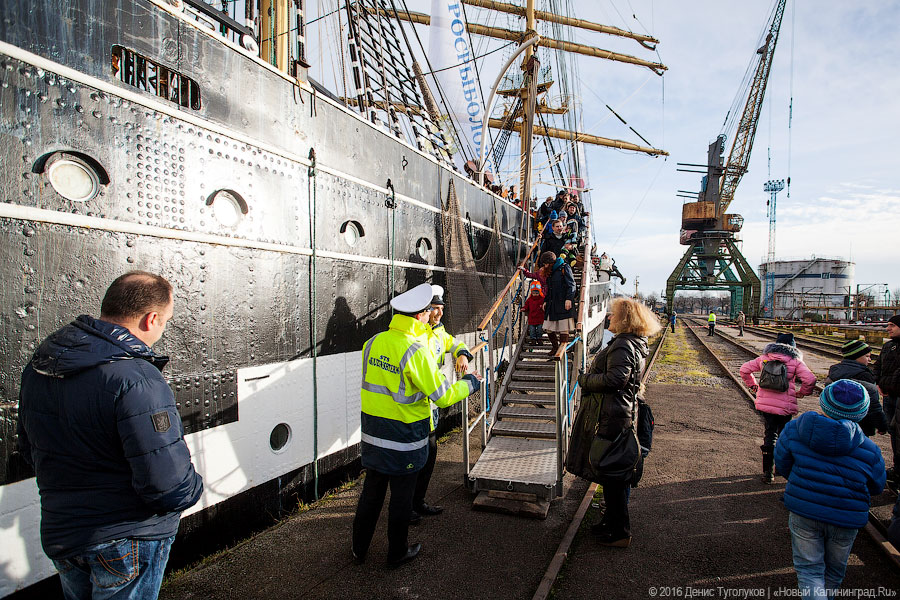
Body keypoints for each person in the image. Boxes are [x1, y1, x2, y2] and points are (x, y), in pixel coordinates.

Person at [17, 271, 203, 600]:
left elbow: (31, 451)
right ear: (152, 319)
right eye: (167, 321)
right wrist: (193, 488)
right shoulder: (137, 378)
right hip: (125, 538)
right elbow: (167, 485)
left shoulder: (40, 367)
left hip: (63, 535)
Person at [352, 283, 480, 567]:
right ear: (421, 315)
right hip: (404, 438)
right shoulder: (415, 351)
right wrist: (471, 384)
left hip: (373, 434)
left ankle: (358, 549)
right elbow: (443, 396)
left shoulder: (372, 343)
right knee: (401, 497)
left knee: (371, 492)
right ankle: (396, 553)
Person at [774, 380, 885, 599]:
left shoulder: (795, 429)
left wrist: (800, 481)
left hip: (804, 509)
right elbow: (876, 486)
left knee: (809, 569)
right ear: (861, 414)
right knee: (834, 571)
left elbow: (783, 464)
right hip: (846, 517)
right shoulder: (870, 450)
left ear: (824, 404)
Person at [577, 298, 661, 547]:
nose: (609, 318)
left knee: (612, 473)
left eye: (613, 315)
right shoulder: (632, 343)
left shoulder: (623, 345)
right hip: (620, 412)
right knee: (610, 473)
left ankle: (620, 533)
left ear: (624, 319)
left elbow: (616, 379)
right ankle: (610, 523)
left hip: (614, 416)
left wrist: (586, 380)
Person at [414, 285, 474, 521]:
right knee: (416, 461)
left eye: (441, 308)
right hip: (417, 406)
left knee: (429, 458)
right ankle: (407, 507)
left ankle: (418, 502)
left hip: (432, 407)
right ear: (424, 311)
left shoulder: (439, 332)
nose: (438, 313)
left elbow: (455, 342)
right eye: (434, 309)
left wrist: (462, 354)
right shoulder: (417, 334)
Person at [740, 333, 817, 483]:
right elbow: (810, 379)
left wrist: (753, 386)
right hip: (785, 406)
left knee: (770, 434)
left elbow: (744, 369)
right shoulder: (795, 361)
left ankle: (768, 473)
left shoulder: (764, 358)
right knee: (784, 435)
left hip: (765, 405)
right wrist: (802, 393)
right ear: (793, 346)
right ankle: (780, 468)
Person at [825, 340, 889, 437]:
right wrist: (882, 425)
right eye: (867, 356)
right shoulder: (864, 375)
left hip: (835, 420)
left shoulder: (835, 370)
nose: (870, 360)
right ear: (856, 357)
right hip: (861, 425)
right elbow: (873, 406)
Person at [873, 314, 900, 488]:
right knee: (893, 432)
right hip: (889, 397)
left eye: (892, 325)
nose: (888, 328)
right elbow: (877, 366)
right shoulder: (888, 346)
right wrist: (878, 383)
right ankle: (897, 468)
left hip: (898, 397)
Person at [543, 254, 577, 357]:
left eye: (546, 264)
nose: (544, 266)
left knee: (564, 328)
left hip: (563, 302)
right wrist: (545, 300)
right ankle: (555, 347)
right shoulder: (551, 271)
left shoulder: (564, 267)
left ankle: (562, 351)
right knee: (548, 327)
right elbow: (549, 288)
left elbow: (571, 284)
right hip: (552, 303)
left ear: (551, 263)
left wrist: (569, 299)